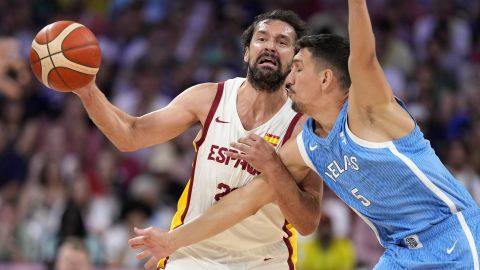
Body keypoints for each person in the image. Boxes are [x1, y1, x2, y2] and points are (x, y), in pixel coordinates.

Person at [129, 1, 480, 269]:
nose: (288, 77)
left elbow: (364, 58)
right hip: (399, 252)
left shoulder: (371, 112)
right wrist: (172, 241)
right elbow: (241, 203)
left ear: (326, 79)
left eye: (297, 68)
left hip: (453, 233)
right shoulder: (307, 146)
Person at [74, 9, 323, 270]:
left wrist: (273, 166)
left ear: (295, 62)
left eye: (282, 42)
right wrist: (87, 90)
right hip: (192, 253)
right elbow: (130, 135)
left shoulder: (304, 126)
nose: (271, 46)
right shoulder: (209, 98)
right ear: (247, 52)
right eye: (262, 39)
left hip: (264, 260)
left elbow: (307, 223)